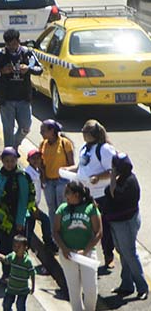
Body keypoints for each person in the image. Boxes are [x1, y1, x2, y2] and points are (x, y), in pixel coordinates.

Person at [63, 119, 116, 268]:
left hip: (101, 196)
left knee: (103, 228)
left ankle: (108, 255)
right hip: (86, 195)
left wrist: (98, 177)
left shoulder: (104, 149)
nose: (82, 134)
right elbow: (81, 167)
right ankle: (86, 253)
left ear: (92, 134)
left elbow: (112, 171)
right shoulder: (85, 148)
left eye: (84, 132)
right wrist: (69, 170)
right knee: (87, 227)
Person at [0, 29, 42, 148]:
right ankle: (9, 153)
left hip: (23, 97)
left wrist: (28, 69)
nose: (11, 47)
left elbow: (39, 69)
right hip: (6, 98)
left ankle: (15, 144)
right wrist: (2, 71)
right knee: (8, 129)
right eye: (8, 44)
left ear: (18, 41)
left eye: (13, 43)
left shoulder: (27, 53)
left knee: (26, 126)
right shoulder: (0, 54)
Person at [53, 181, 103, 311]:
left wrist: (85, 251)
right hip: (68, 254)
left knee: (91, 289)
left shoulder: (91, 208)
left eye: (67, 193)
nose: (65, 196)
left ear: (76, 194)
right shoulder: (62, 209)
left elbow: (99, 232)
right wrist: (64, 249)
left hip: (87, 254)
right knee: (74, 291)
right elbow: (56, 232)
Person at [106, 152, 148, 299]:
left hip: (126, 223)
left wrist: (112, 178)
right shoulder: (123, 178)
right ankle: (127, 285)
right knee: (123, 253)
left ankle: (142, 287)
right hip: (118, 223)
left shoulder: (129, 181)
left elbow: (113, 194)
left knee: (129, 254)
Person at [0, 147, 31, 285]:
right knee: (4, 247)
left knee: (16, 249)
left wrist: (20, 221)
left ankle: (18, 276)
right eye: (6, 161)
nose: (9, 164)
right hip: (2, 219)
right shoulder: (1, 174)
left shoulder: (20, 177)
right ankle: (6, 275)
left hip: (15, 219)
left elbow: (23, 200)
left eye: (12, 161)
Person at [39, 119, 75, 219]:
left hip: (62, 181)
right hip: (48, 181)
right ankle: (53, 232)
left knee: (62, 207)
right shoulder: (43, 144)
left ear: (52, 131)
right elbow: (41, 163)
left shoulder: (65, 143)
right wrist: (43, 177)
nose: (41, 133)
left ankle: (64, 231)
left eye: (43, 130)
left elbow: (72, 163)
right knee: (51, 208)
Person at [25, 149, 56, 251]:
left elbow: (43, 185)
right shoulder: (28, 173)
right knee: (45, 220)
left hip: (34, 204)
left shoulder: (37, 171)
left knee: (30, 226)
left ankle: (28, 245)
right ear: (28, 160)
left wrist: (42, 172)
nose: (36, 160)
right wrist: (33, 206)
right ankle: (48, 243)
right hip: (30, 205)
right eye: (33, 158)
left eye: (38, 158)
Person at [1, 235, 36, 311]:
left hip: (23, 290)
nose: (16, 249)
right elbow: (5, 259)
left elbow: (32, 274)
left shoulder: (27, 262)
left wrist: (33, 287)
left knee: (20, 306)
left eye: (19, 247)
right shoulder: (12, 256)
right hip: (11, 288)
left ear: (25, 247)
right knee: (6, 305)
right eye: (14, 246)